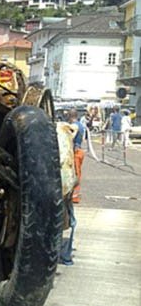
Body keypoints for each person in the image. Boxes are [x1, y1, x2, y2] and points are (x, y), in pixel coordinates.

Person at [60, 108, 84, 266]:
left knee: (68, 216)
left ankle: (65, 254)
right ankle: (65, 255)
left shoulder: (72, 129)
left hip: (70, 164)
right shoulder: (74, 128)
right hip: (70, 164)